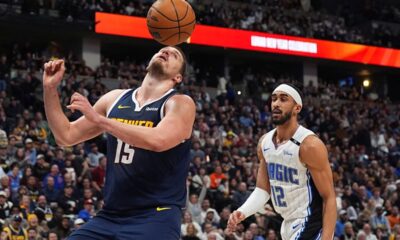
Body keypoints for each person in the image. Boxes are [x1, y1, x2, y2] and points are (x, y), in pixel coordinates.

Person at [42, 46, 195, 239]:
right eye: (162, 50)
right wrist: (49, 89)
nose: (166, 52)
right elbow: (65, 135)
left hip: (156, 215)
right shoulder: (114, 98)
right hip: (111, 215)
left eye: (175, 55)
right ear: (148, 64)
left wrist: (100, 121)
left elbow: (159, 140)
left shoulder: (180, 103)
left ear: (178, 78)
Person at [227, 84, 336, 239]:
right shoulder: (264, 143)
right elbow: (263, 190)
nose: (276, 103)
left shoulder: (309, 145)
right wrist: (242, 211)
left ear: (297, 108)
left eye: (283, 99)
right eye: (274, 99)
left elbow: (329, 197)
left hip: (310, 223)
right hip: (287, 224)